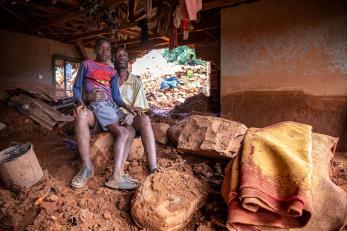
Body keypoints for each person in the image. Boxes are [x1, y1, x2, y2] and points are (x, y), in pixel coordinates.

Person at [71, 38, 139, 190]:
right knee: (122, 132)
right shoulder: (86, 64)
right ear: (95, 50)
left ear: (110, 53)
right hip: (99, 105)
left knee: (131, 130)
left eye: (108, 49)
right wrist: (82, 102)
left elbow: (116, 97)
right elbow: (76, 88)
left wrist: (129, 108)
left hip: (112, 106)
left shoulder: (112, 72)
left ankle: (119, 172)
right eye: (101, 48)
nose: (105, 51)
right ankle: (94, 170)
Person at [114, 47, 158, 174]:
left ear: (128, 59)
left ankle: (153, 167)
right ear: (113, 59)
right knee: (129, 130)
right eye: (118, 55)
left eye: (123, 55)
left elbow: (139, 107)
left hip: (131, 117)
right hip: (113, 117)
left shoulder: (136, 81)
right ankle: (118, 173)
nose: (121, 57)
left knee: (145, 119)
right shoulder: (109, 80)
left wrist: (131, 115)